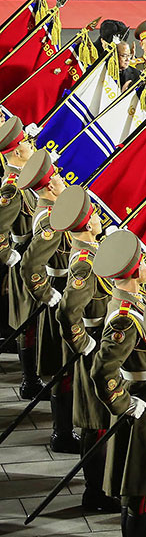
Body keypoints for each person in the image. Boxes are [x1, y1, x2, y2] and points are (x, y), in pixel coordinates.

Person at [89, 230, 146, 537]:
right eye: (144, 262)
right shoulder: (125, 317)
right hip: (142, 411)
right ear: (135, 270)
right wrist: (124, 403)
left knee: (138, 489)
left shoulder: (136, 302)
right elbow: (102, 369)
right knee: (140, 490)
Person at [49, 187, 119, 514]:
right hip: (94, 351)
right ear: (87, 224)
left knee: (102, 421)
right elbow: (67, 312)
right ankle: (94, 493)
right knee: (96, 423)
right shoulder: (85, 264)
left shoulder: (93, 252)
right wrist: (83, 342)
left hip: (101, 346)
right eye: (94, 214)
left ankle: (101, 487)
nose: (98, 216)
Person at [17, 151, 75, 453]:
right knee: (62, 369)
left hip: (61, 288)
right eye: (57, 176)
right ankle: (61, 433)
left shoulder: (52, 209)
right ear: (49, 187)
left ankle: (62, 431)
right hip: (60, 290)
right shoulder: (52, 219)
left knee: (63, 368)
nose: (61, 179)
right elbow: (30, 266)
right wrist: (49, 294)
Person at [0, 117, 40, 400]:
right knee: (28, 321)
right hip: (23, 257)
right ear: (16, 152)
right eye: (25, 143)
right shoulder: (12, 187)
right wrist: (7, 254)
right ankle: (29, 380)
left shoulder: (25, 178)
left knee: (35, 322)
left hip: (35, 254)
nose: (28, 145)